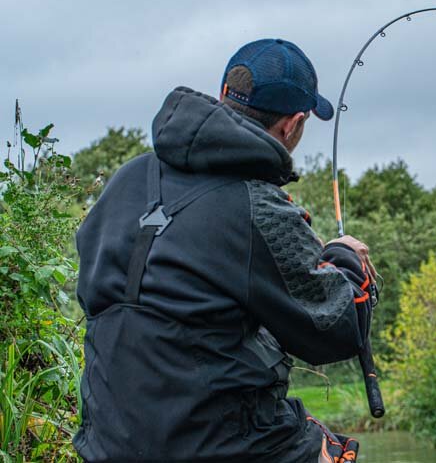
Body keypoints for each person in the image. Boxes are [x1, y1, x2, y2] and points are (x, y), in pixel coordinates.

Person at [73, 39, 374, 462]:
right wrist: (343, 259)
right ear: (293, 124)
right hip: (213, 445)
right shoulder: (257, 205)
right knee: (332, 455)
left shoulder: (127, 179)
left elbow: (103, 295)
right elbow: (335, 330)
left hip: (106, 444)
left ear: (222, 96)